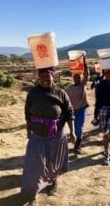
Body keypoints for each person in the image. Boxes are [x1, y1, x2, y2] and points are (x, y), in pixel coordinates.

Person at [21, 67, 76, 205]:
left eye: (48, 76)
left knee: (53, 163)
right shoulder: (33, 93)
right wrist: (28, 129)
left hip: (56, 136)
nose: (45, 79)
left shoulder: (61, 93)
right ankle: (32, 195)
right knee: (34, 165)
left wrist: (73, 132)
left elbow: (70, 113)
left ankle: (53, 182)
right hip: (37, 135)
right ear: (39, 77)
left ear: (53, 76)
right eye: (42, 76)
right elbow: (28, 112)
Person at [66, 55, 89, 154]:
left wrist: (84, 62)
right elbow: (66, 101)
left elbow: (87, 75)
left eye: (79, 77)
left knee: (79, 127)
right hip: (74, 111)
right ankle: (77, 144)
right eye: (75, 77)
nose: (77, 78)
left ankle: (77, 146)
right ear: (73, 78)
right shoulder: (69, 88)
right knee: (75, 129)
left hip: (82, 109)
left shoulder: (82, 85)